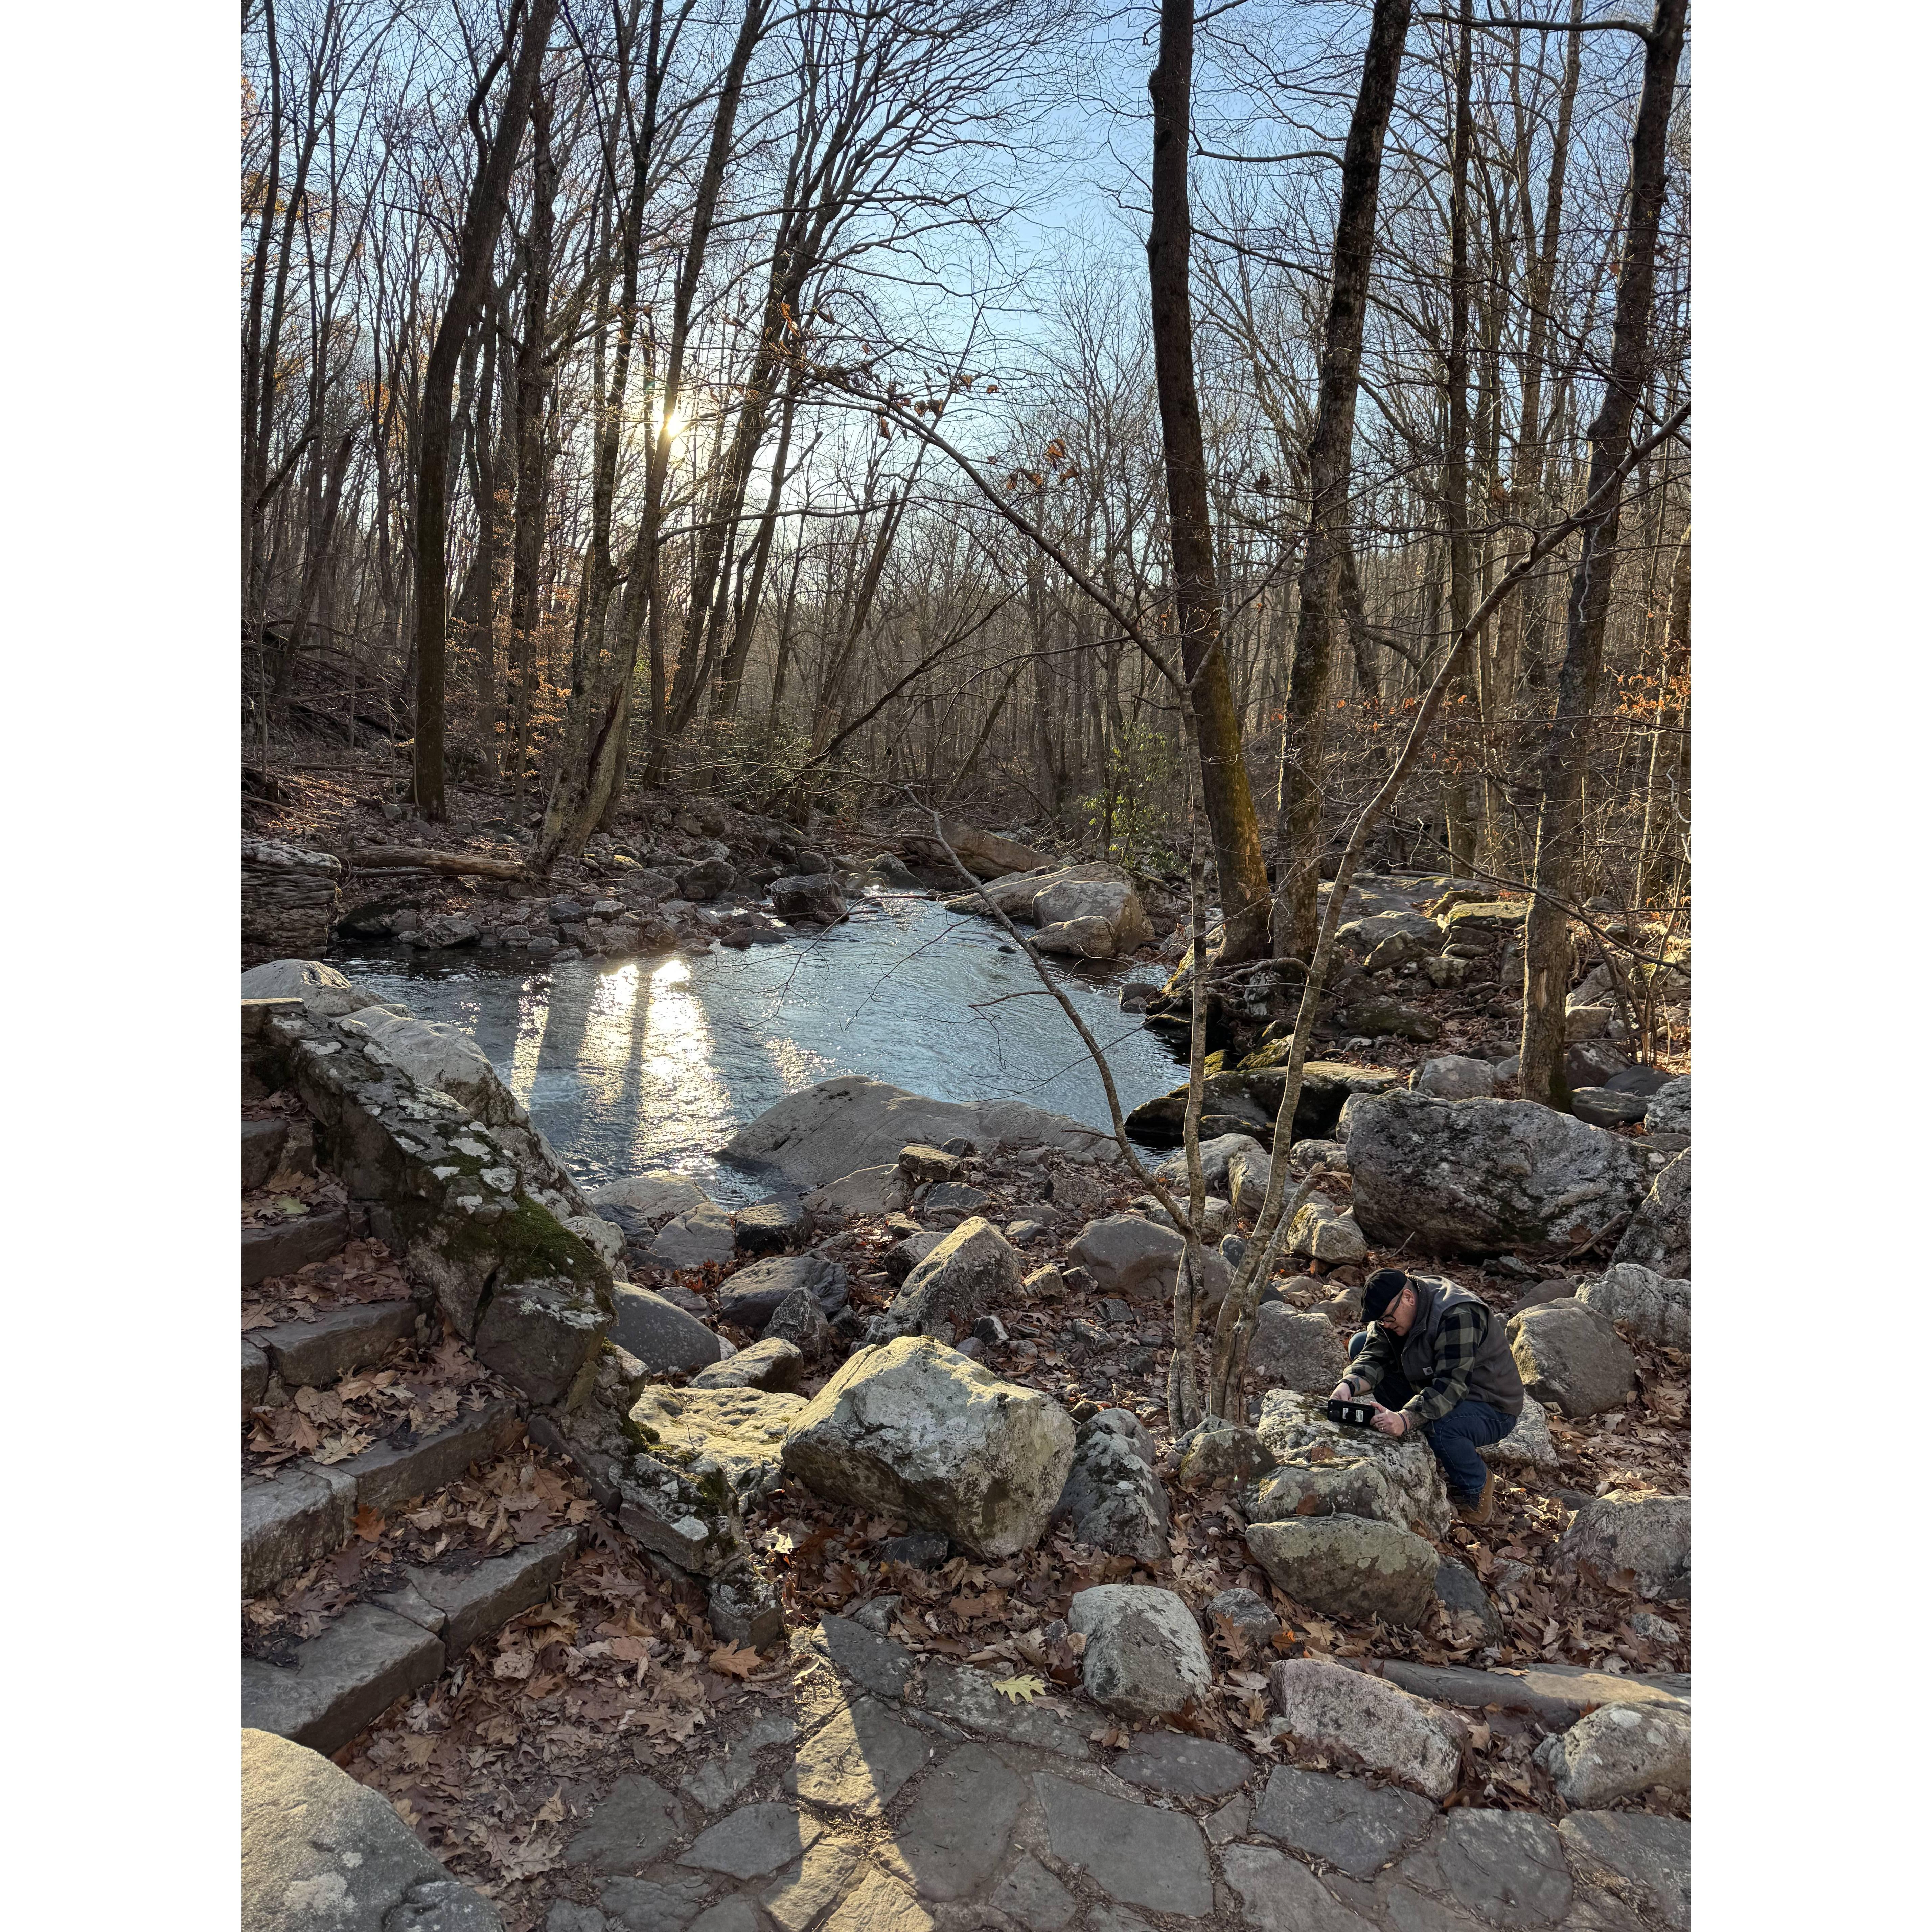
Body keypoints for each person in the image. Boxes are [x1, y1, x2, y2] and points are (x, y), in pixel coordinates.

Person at [1330, 1266, 1524, 1524]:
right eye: (1381, 1321)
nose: (1386, 1325)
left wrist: (1406, 1418)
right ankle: (1426, 1438)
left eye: (1388, 1318)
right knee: (1359, 1344)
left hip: (1489, 1403)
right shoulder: (1398, 1305)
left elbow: (1451, 1387)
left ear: (1408, 1298)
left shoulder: (1458, 1314)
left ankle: (1477, 1486)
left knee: (1442, 1427)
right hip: (1432, 1379)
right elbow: (1374, 1355)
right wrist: (1349, 1385)